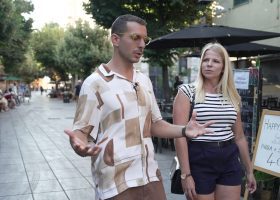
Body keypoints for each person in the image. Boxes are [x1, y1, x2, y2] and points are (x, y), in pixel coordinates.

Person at [64, 14, 214, 200]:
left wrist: (184, 130)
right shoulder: (95, 83)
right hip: (116, 184)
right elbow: (81, 134)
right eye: (135, 38)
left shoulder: (143, 80)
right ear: (115, 39)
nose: (142, 44)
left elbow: (154, 124)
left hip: (151, 178)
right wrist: (80, 146)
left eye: (145, 39)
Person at [173, 42, 257, 200]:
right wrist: (186, 174)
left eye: (215, 61)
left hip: (229, 158)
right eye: (206, 60)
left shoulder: (231, 95)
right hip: (200, 158)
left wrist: (249, 171)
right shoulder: (186, 92)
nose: (209, 64)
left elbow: (239, 137)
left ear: (224, 67)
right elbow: (179, 136)